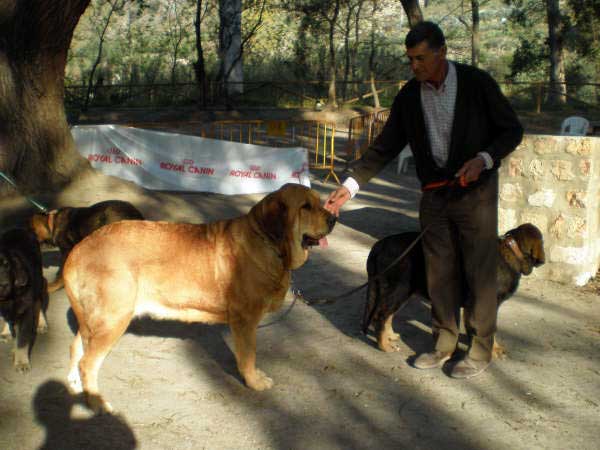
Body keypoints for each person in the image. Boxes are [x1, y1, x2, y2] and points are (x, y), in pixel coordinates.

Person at [325, 21, 523, 379]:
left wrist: (484, 159)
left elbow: (512, 130)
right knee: (439, 271)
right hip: (434, 197)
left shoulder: (476, 84)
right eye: (410, 60)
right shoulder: (409, 96)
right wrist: (350, 185)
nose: (415, 67)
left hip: (475, 195)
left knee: (479, 272)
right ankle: (443, 343)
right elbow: (385, 146)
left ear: (442, 52)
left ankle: (478, 350)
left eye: (421, 58)